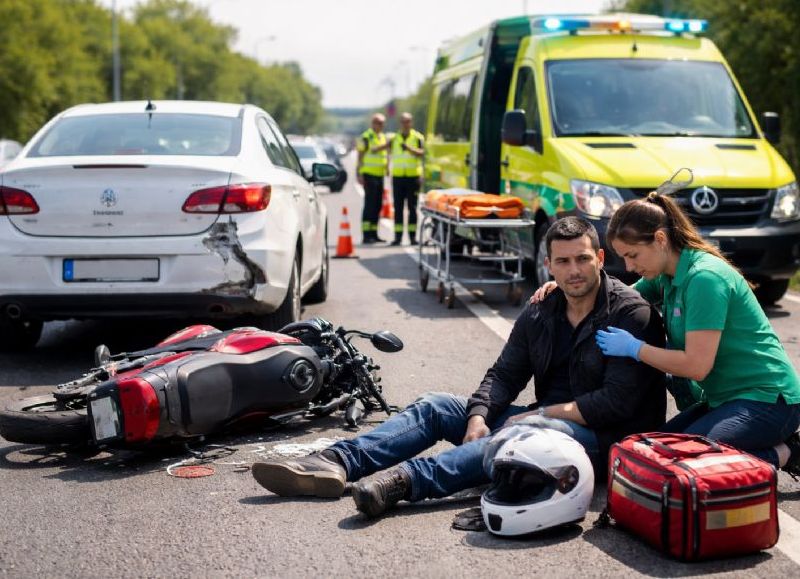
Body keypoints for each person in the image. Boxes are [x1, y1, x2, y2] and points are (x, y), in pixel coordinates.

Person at [251, 217, 667, 518]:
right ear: (549, 266)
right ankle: (335, 462)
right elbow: (505, 374)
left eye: (581, 260)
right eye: (563, 262)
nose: (573, 271)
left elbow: (615, 403)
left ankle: (404, 483)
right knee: (437, 406)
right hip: (545, 421)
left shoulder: (630, 314)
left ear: (599, 258)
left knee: (523, 430)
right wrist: (480, 414)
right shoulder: (542, 310)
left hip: (603, 438)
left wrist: (538, 416)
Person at [532, 193, 800, 478]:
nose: (629, 267)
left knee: (686, 465)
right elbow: (618, 298)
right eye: (623, 257)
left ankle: (786, 453)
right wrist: (564, 288)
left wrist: (636, 348)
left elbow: (696, 366)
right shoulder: (665, 276)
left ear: (660, 239)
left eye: (632, 255)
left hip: (768, 401)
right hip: (726, 400)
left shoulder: (704, 279)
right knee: (650, 452)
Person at [389, 112, 425, 246]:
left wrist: (409, 148)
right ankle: (397, 238)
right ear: (400, 123)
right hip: (398, 177)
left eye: (408, 121)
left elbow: (422, 153)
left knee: (412, 208)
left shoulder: (418, 137)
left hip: (413, 177)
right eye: (403, 121)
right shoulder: (394, 138)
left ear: (411, 123)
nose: (405, 124)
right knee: (398, 208)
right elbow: (387, 152)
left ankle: (412, 237)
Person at [356, 113, 390, 244]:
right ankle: (366, 235)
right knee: (369, 205)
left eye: (382, 123)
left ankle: (374, 233)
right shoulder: (365, 137)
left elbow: (385, 154)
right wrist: (358, 174)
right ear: (373, 123)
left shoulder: (382, 137)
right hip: (369, 175)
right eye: (378, 123)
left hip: (379, 175)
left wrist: (387, 167)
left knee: (378, 205)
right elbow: (361, 156)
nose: (380, 125)